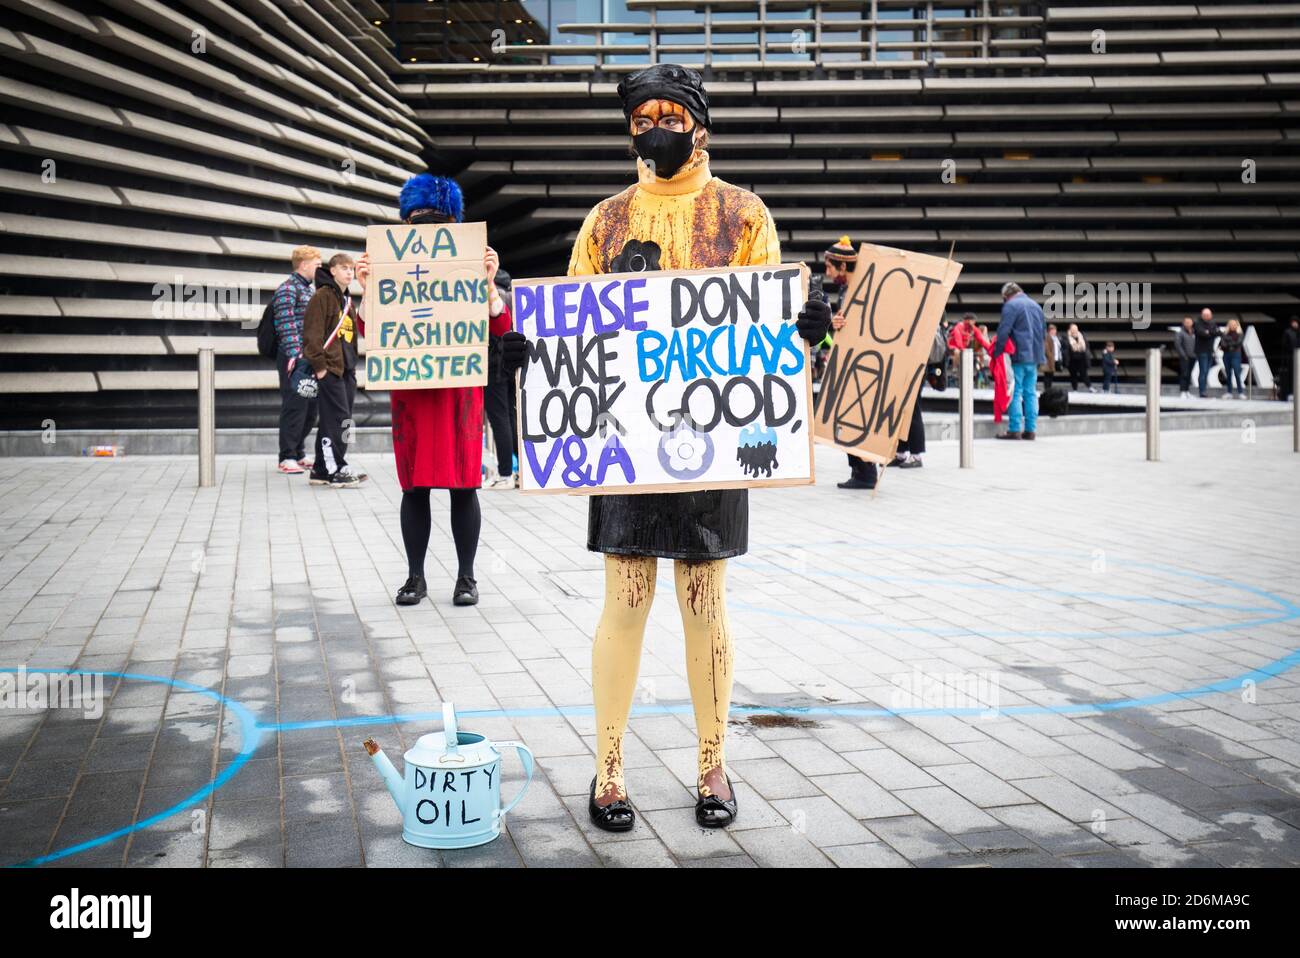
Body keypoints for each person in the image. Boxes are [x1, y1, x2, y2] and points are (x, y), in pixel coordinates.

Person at [501, 64, 829, 833]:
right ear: (629, 130)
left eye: (670, 115)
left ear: (699, 127)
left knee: (703, 600)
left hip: (711, 443)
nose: (656, 127)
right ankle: (607, 768)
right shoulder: (605, 221)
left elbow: (770, 337)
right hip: (625, 444)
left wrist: (802, 327)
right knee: (626, 599)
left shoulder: (745, 215)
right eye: (643, 115)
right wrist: (531, 349)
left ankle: (713, 761)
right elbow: (574, 324)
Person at [355, 174, 513, 607]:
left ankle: (466, 577)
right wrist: (368, 288)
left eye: (435, 221)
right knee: (414, 489)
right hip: (412, 394)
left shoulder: (473, 269)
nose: (425, 228)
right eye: (417, 222)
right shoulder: (388, 269)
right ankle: (415, 577)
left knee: (464, 486)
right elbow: (370, 330)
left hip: (458, 394)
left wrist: (488, 282)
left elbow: (502, 327)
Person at [813, 236, 878, 491]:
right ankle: (858, 468)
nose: (828, 273)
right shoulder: (847, 290)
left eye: (830, 267)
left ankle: (865, 470)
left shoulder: (862, 289)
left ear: (842, 266)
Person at [302, 253, 366, 487]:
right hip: (330, 370)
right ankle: (334, 468)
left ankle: (323, 467)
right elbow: (311, 336)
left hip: (346, 370)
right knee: (335, 419)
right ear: (333, 271)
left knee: (344, 420)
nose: (350, 272)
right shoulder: (322, 297)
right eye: (344, 268)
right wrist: (321, 368)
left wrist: (352, 369)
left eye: (352, 268)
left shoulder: (346, 299)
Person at [272, 245, 320, 474]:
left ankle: (299, 452)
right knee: (294, 406)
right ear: (304, 264)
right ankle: (287, 456)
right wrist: (296, 356)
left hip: (308, 357)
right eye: (316, 264)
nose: (319, 268)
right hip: (294, 358)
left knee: (310, 407)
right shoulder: (288, 289)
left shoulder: (307, 290)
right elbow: (285, 325)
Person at [993, 282, 1046, 440]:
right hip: (1034, 357)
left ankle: (1014, 429)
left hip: (1017, 356)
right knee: (1030, 393)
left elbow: (1004, 331)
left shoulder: (1011, 305)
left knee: (1015, 392)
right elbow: (1042, 332)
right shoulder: (1036, 305)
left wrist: (997, 352)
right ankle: (1030, 430)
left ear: (1006, 296)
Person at [482, 268, 519, 490]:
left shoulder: (492, 296)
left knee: (499, 419)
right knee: (510, 416)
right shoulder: (513, 296)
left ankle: (505, 471)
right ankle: (519, 470)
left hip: (492, 364)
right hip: (509, 364)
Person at [1194, 307, 1218, 398]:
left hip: (1210, 351)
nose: (1207, 317)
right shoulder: (1198, 323)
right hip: (1202, 351)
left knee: (1206, 371)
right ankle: (1202, 391)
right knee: (1203, 371)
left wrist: (1209, 332)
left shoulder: (1212, 323)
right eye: (1206, 315)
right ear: (1202, 315)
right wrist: (1210, 332)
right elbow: (1203, 333)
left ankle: (1204, 390)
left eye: (1209, 315)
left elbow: (1217, 332)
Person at [1220, 318, 1245, 398]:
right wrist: (1230, 344)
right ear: (1228, 325)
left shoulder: (1240, 334)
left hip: (1236, 355)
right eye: (1231, 324)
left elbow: (1238, 343)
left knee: (1237, 373)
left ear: (1237, 325)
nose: (1232, 326)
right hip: (1226, 355)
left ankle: (1240, 392)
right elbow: (1222, 344)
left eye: (1234, 324)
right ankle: (1229, 392)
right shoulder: (1225, 334)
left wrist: (1228, 343)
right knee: (1228, 374)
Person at [1175, 317, 1196, 398]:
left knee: (1189, 374)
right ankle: (1182, 391)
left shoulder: (1193, 332)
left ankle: (1187, 391)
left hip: (1193, 356)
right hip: (1185, 357)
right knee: (1184, 374)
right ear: (1184, 323)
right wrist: (1183, 355)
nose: (1188, 324)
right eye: (1187, 322)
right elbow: (1178, 345)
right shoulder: (1180, 333)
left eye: (1190, 322)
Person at [1066, 323, 1090, 391]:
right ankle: (1075, 388)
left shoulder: (1081, 336)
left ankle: (1089, 386)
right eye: (1073, 329)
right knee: (1073, 375)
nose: (1075, 330)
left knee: (1084, 373)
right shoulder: (1067, 337)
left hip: (1081, 359)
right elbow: (1066, 349)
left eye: (1076, 328)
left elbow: (1086, 346)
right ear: (1070, 329)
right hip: (1072, 360)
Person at [1281, 315, 1299, 401]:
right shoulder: (1287, 332)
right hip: (1291, 357)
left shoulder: (1299, 332)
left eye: (1296, 322)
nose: (1295, 324)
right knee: (1291, 375)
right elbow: (1284, 344)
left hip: (1298, 355)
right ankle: (1291, 393)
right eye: (1293, 322)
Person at [1044, 323, 1065, 388]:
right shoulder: (1047, 338)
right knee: (1047, 375)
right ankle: (1047, 388)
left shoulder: (1057, 338)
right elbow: (1046, 348)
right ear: (1049, 331)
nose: (1053, 331)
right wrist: (1050, 356)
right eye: (1052, 330)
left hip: (1055, 359)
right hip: (1049, 359)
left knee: (1051, 375)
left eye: (1054, 330)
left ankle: (1049, 387)